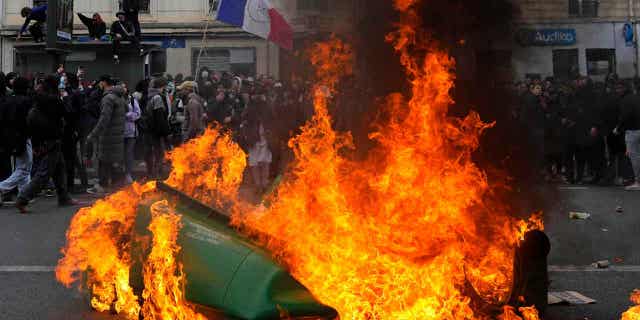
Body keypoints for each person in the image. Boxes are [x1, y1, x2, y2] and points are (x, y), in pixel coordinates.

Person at [16, 75, 79, 213]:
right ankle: (23, 198)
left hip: (42, 140)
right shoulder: (54, 100)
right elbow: (68, 113)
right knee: (44, 174)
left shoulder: (39, 98)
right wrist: (66, 97)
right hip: (52, 139)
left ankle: (64, 197)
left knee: (59, 168)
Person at [86, 76, 127, 195]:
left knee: (104, 161)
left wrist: (93, 134)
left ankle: (104, 186)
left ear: (103, 83)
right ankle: (117, 187)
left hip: (108, 136)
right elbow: (127, 109)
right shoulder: (120, 96)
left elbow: (104, 119)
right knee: (113, 162)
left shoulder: (108, 98)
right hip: (118, 135)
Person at [0, 77, 32, 204]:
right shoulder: (26, 101)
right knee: (24, 168)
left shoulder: (7, 101)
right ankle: (2, 187)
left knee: (22, 166)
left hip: (10, 138)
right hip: (23, 138)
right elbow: (28, 122)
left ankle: (23, 195)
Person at [144, 77, 171, 179]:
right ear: (162, 86)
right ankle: (156, 175)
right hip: (156, 131)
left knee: (153, 152)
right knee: (158, 152)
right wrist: (166, 132)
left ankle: (152, 173)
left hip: (151, 129)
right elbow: (159, 116)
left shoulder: (151, 96)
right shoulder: (158, 98)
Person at [615, 81, 640, 191]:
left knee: (634, 157)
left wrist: (618, 128)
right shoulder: (636, 97)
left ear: (624, 88)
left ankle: (637, 181)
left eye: (619, 88)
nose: (617, 90)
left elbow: (625, 116)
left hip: (632, 131)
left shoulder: (625, 100)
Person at [123, 83, 141, 184]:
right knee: (120, 154)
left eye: (124, 87)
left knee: (129, 153)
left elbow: (138, 113)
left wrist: (128, 115)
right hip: (119, 132)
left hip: (131, 132)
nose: (123, 89)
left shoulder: (133, 100)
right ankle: (119, 174)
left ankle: (128, 173)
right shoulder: (116, 99)